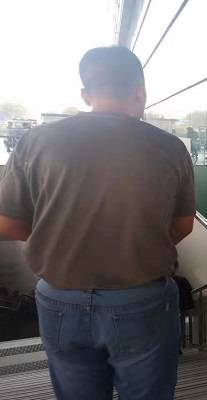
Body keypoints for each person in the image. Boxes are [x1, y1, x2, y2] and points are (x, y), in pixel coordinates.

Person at [0, 46, 196, 399]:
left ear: (86, 94)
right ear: (140, 91)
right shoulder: (169, 148)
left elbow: (8, 225)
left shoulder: (35, 142)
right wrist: (135, 244)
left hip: (60, 299)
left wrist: (58, 237)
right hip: (142, 300)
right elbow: (183, 225)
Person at [170, 261, 194, 355]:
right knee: (180, 328)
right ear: (177, 268)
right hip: (180, 308)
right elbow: (188, 294)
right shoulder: (182, 280)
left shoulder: (161, 283)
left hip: (167, 310)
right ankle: (177, 348)